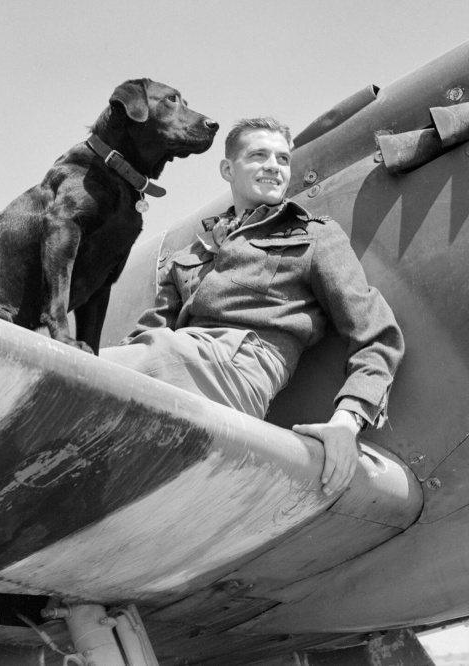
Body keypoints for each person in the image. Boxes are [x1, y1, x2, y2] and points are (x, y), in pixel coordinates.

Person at [101, 117, 404, 496]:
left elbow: (377, 336)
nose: (274, 167)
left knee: (89, 375)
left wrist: (347, 420)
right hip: (170, 361)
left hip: (241, 369)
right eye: (259, 155)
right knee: (98, 374)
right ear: (228, 168)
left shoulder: (314, 237)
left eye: (282, 158)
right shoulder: (188, 256)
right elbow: (147, 335)